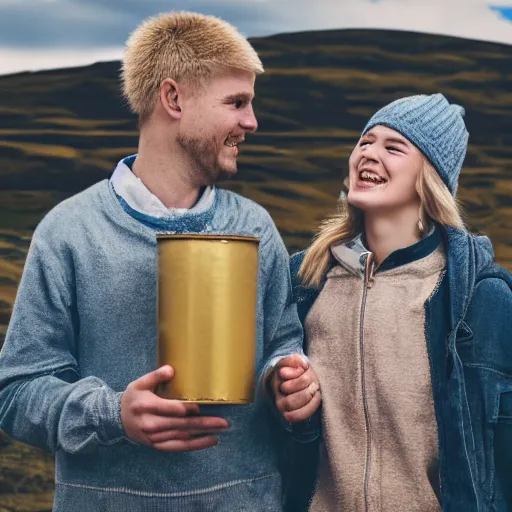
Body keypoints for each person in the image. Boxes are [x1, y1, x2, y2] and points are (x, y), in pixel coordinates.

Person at [0, 11, 319, 511]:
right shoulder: (70, 231)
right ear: (173, 98)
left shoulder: (255, 227)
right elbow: (16, 392)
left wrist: (286, 378)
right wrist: (111, 416)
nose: (251, 122)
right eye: (236, 103)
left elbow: (282, 341)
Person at [287, 93, 512, 511]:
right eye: (365, 142)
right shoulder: (306, 282)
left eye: (394, 147)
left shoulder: (481, 297)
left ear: (429, 178)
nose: (370, 154)